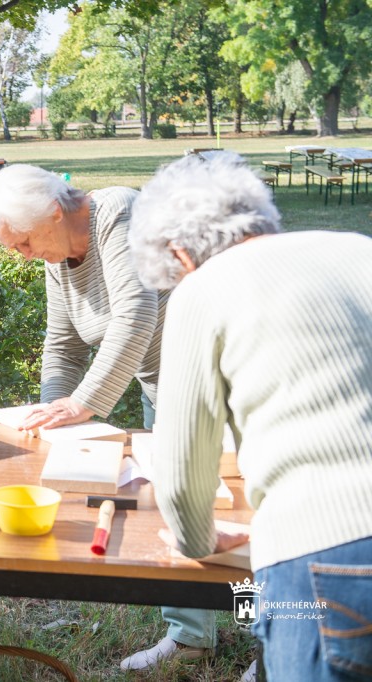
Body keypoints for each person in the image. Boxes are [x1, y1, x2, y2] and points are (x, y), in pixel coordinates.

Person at [129, 152, 372, 681]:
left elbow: (181, 470)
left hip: (324, 559)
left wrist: (199, 541)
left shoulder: (203, 288)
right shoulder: (361, 248)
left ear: (180, 252)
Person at [0, 164, 220, 671]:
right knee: (177, 504)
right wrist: (50, 416)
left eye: (24, 243)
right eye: (15, 249)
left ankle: (276, 645)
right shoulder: (57, 252)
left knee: (245, 515)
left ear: (53, 212)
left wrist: (81, 403)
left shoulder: (120, 214)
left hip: (222, 374)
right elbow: (63, 343)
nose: (24, 256)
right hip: (167, 381)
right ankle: (190, 635)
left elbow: (136, 315)